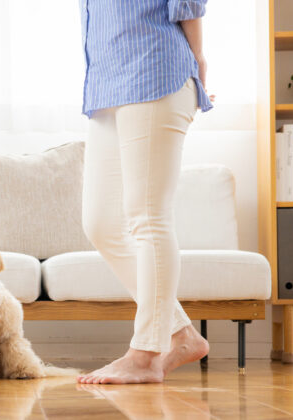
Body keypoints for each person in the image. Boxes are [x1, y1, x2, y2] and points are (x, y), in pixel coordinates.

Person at [77, 0, 213, 384]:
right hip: (107, 84)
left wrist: (199, 59)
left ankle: (145, 355)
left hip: (155, 70)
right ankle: (182, 334)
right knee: (101, 224)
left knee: (148, 216)